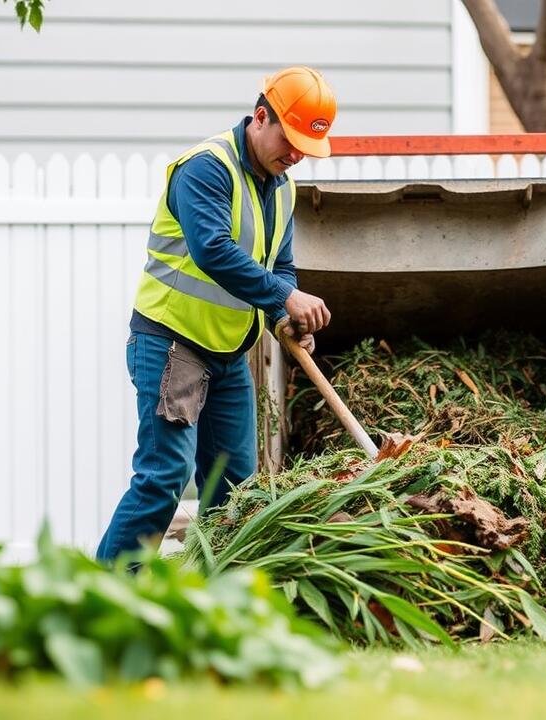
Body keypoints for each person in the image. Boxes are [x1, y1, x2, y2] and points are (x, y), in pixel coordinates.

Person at [96, 66, 336, 563]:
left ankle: (216, 605)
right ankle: (104, 594)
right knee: (164, 477)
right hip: (172, 343)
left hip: (228, 353)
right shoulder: (206, 167)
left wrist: (282, 315)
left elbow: (280, 266)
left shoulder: (282, 187)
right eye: (289, 140)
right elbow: (212, 251)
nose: (294, 155)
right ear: (261, 116)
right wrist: (284, 298)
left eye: (303, 150)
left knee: (233, 493)